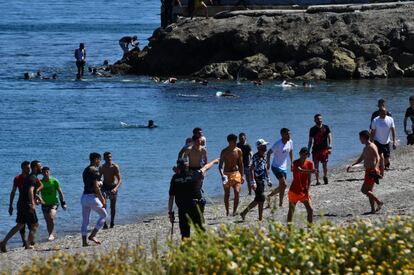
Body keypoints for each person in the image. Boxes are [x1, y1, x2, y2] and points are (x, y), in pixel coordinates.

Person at [168, 158, 219, 239]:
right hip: (196, 208)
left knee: (185, 235)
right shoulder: (195, 174)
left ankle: (186, 250)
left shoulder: (175, 178)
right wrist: (214, 161)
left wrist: (170, 212)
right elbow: (206, 167)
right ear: (187, 165)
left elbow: (171, 197)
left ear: (178, 167)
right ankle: (202, 249)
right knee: (200, 232)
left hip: (183, 210)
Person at [0, 160, 42, 252]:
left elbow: (37, 187)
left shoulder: (29, 178)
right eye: (40, 166)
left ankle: (3, 242)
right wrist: (33, 203)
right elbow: (30, 190)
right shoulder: (31, 178)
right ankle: (27, 245)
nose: (41, 168)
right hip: (27, 204)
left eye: (29, 167)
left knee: (20, 225)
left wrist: (36, 193)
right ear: (36, 168)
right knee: (35, 224)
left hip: (21, 203)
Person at [347, 130, 383, 214]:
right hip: (368, 171)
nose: (359, 140)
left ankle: (379, 202)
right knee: (369, 191)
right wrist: (352, 165)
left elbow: (378, 157)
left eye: (360, 138)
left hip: (372, 171)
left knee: (364, 190)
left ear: (364, 138)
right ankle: (373, 209)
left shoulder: (371, 146)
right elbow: (361, 158)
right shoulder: (365, 147)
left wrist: (375, 167)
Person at [240, 139, 271, 221]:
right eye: (264, 146)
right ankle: (259, 218)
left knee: (258, 199)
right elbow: (251, 169)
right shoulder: (255, 157)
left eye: (265, 145)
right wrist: (252, 182)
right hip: (257, 180)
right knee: (261, 198)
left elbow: (265, 168)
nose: (265, 147)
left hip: (262, 179)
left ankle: (244, 213)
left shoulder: (264, 156)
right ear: (259, 147)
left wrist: (268, 179)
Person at [81, 153, 107, 246]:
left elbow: (89, 183)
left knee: (85, 220)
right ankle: (93, 235)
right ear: (95, 159)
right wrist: (102, 199)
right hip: (92, 197)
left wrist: (99, 183)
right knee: (104, 215)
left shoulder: (85, 170)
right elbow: (96, 187)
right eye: (99, 159)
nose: (99, 162)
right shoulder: (95, 170)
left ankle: (84, 242)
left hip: (84, 197)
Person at [287, 147, 317, 225]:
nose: (304, 155)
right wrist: (311, 171)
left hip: (304, 191)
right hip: (294, 191)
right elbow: (300, 170)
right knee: (291, 211)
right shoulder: (295, 163)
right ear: (300, 153)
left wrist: (308, 189)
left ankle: (310, 230)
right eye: (303, 154)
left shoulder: (310, 163)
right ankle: (289, 231)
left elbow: (309, 178)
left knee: (310, 210)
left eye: (306, 154)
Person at [266, 128, 293, 208]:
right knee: (284, 184)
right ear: (282, 135)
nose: (289, 136)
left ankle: (273, 198)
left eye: (289, 134)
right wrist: (268, 164)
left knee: (283, 186)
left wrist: (292, 163)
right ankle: (278, 201)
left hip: (284, 167)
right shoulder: (278, 144)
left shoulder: (290, 142)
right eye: (287, 134)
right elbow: (268, 153)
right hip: (276, 166)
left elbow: (291, 151)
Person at [219, 134, 244, 216]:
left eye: (236, 141)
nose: (236, 142)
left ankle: (234, 211)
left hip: (236, 173)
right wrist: (222, 175)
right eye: (234, 141)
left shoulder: (238, 150)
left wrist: (242, 175)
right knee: (227, 194)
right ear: (229, 141)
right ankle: (227, 211)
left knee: (237, 192)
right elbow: (220, 166)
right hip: (226, 174)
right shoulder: (224, 151)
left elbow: (241, 164)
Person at [8, 161, 31, 247]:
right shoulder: (17, 178)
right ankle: (24, 241)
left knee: (31, 223)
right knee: (21, 223)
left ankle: (30, 240)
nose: (29, 169)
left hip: (30, 203)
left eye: (29, 168)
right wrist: (10, 205)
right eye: (27, 168)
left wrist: (37, 197)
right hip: (21, 203)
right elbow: (13, 192)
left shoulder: (32, 177)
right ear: (22, 168)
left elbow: (39, 186)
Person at [40, 167, 67, 241]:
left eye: (47, 172)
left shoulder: (54, 180)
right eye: (44, 172)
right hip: (44, 204)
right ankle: (50, 234)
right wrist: (37, 200)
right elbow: (36, 192)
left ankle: (51, 234)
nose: (45, 174)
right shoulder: (40, 182)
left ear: (49, 172)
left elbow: (60, 192)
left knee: (51, 217)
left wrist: (63, 203)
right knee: (47, 220)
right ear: (42, 173)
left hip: (54, 203)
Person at [307, 114, 332, 185]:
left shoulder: (326, 127)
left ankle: (325, 176)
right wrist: (308, 150)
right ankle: (317, 180)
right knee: (316, 166)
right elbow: (310, 141)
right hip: (315, 150)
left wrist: (330, 146)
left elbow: (330, 137)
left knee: (325, 165)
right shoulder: (312, 129)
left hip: (324, 149)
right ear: (314, 120)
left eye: (320, 119)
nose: (320, 120)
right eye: (318, 119)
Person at [99, 152, 122, 229]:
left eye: (110, 157)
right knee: (103, 205)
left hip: (113, 187)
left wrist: (115, 188)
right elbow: (98, 177)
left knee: (113, 206)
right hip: (105, 187)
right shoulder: (102, 167)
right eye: (108, 157)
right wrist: (98, 185)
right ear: (104, 158)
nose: (109, 158)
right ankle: (104, 223)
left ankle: (112, 222)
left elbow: (120, 180)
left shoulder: (115, 167)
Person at [371, 109, 397, 175]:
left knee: (386, 158)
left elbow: (393, 131)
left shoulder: (390, 119)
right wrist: (371, 141)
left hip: (386, 141)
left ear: (386, 113)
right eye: (382, 113)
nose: (383, 115)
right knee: (380, 157)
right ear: (379, 113)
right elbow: (373, 132)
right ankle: (379, 171)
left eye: (385, 113)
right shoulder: (375, 120)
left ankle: (386, 164)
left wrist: (394, 141)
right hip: (377, 141)